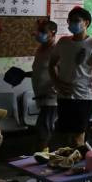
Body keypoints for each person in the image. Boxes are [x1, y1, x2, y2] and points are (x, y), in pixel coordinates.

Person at [49, 6, 92, 147]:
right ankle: (68, 164)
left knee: (78, 138)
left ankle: (80, 166)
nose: (71, 24)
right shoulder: (63, 42)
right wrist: (57, 83)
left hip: (84, 97)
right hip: (64, 97)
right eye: (69, 21)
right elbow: (51, 65)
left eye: (76, 21)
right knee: (65, 138)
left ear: (86, 23)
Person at [28, 20, 59, 151]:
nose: (38, 34)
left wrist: (56, 86)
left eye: (43, 32)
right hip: (41, 96)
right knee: (44, 129)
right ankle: (43, 158)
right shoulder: (41, 49)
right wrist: (24, 74)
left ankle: (43, 159)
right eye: (38, 30)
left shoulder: (56, 49)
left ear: (52, 33)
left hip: (51, 98)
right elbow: (41, 70)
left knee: (43, 130)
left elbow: (63, 71)